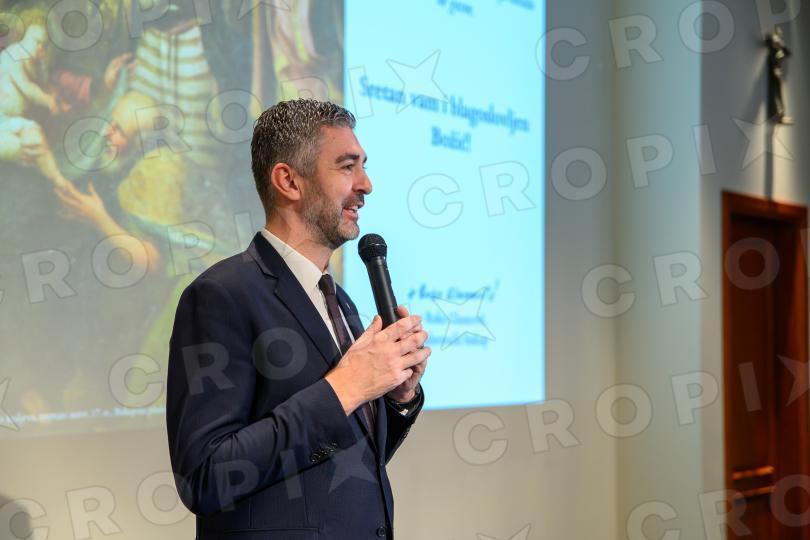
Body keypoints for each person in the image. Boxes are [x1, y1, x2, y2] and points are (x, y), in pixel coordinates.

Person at [166, 99, 430, 539]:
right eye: (347, 166)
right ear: (288, 181)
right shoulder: (220, 296)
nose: (366, 185)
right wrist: (346, 387)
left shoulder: (340, 302)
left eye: (363, 166)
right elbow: (206, 476)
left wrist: (396, 398)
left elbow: (339, 462)